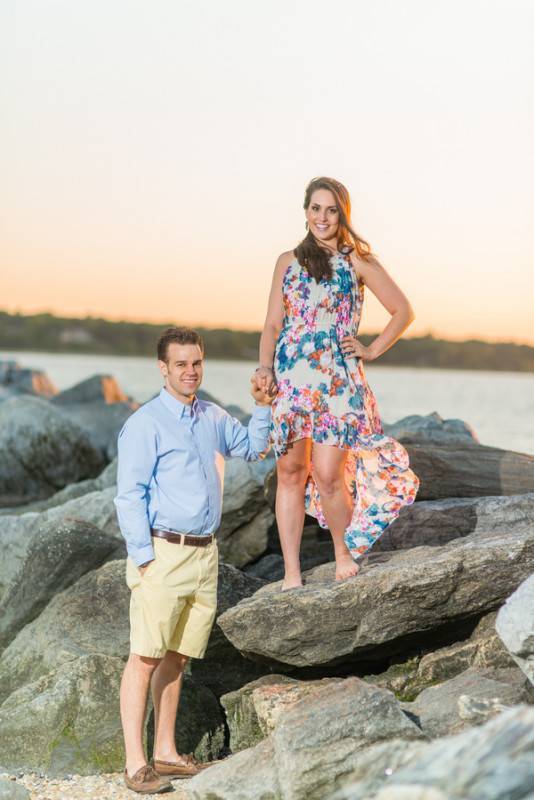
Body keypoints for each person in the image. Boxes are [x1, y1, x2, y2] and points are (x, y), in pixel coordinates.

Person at [114, 326, 272, 794]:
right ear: (162, 368)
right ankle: (134, 764)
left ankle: (164, 753)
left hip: (205, 556)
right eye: (180, 364)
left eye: (196, 362)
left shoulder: (213, 416)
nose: (190, 371)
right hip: (162, 554)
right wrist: (144, 559)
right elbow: (129, 497)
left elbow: (252, 448)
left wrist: (263, 405)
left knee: (177, 658)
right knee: (143, 657)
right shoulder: (144, 423)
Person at [254, 176, 420, 590]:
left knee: (329, 473)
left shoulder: (357, 260)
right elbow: (273, 324)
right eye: (315, 208)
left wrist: (372, 349)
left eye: (331, 210)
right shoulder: (286, 261)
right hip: (291, 377)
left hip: (336, 380)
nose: (322, 217)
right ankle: (291, 571)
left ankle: (342, 552)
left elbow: (402, 310)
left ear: (342, 214)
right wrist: (264, 369)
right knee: (290, 471)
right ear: (305, 210)